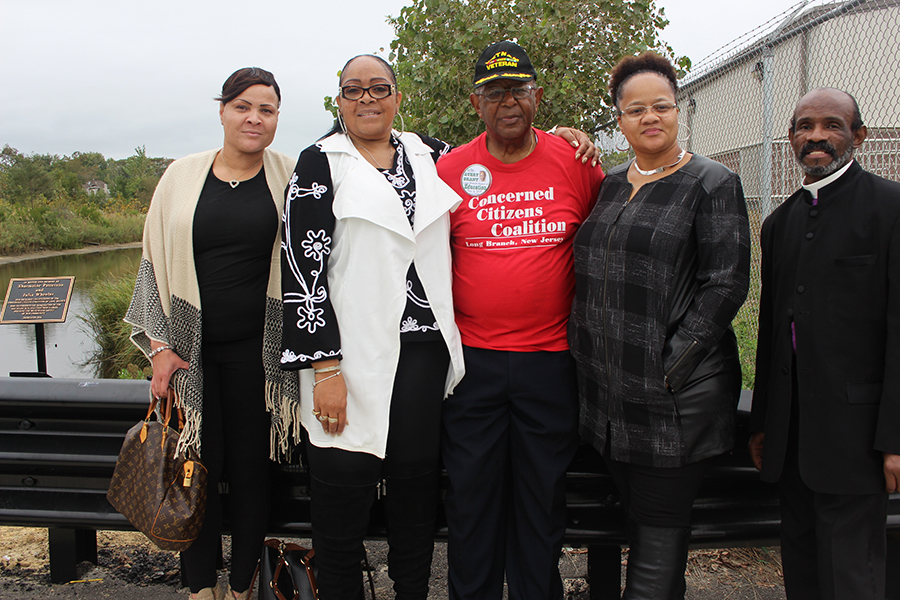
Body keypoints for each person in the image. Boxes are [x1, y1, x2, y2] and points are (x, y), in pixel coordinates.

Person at [280, 54, 466, 600]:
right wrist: (324, 367)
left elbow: (499, 161)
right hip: (347, 359)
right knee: (342, 498)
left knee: (414, 493)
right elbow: (302, 262)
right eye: (353, 89)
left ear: (397, 98)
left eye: (379, 88)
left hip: (424, 354)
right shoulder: (321, 162)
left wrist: (566, 138)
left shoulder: (430, 154)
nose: (367, 98)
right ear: (338, 101)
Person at [568, 51, 750, 599]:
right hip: (606, 399)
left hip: (672, 402)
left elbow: (726, 285)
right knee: (637, 528)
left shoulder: (712, 182)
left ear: (678, 110)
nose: (651, 117)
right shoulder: (612, 182)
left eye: (662, 106)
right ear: (619, 118)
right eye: (635, 108)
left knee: (656, 543)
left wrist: (667, 367)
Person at [436, 40, 604, 600]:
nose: (508, 102)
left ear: (537, 96)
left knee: (540, 500)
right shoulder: (450, 168)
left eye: (519, 90)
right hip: (472, 365)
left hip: (550, 364)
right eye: (494, 92)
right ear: (475, 103)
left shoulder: (576, 163)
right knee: (472, 499)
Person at [125, 67, 298, 600]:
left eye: (266, 109)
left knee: (251, 473)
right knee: (194, 467)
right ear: (222, 110)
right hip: (188, 355)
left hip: (261, 356)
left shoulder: (291, 175)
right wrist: (159, 347)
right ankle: (201, 587)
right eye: (243, 106)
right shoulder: (180, 176)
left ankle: (243, 585)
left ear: (275, 119)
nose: (254, 117)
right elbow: (152, 263)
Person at [749, 88, 900, 600]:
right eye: (804, 125)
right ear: (791, 137)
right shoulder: (780, 222)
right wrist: (765, 423)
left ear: (857, 136)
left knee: (853, 578)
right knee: (805, 573)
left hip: (858, 441)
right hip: (791, 443)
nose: (817, 135)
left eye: (832, 125)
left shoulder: (890, 208)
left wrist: (895, 439)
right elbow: (773, 330)